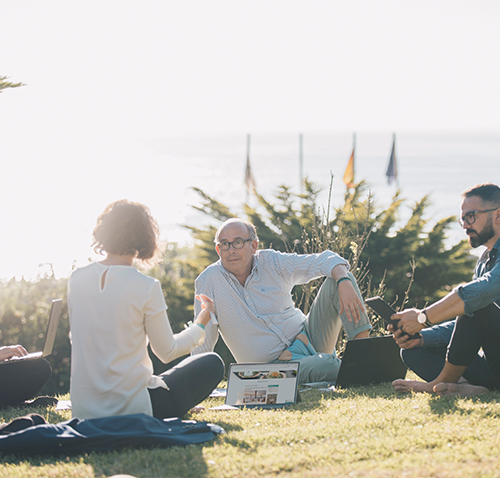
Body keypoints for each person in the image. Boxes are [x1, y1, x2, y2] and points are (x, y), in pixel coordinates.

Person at [68, 200, 224, 420]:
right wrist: (201, 324)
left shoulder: (77, 279)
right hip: (134, 409)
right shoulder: (145, 286)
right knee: (212, 362)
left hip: (84, 412)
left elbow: (77, 339)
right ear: (145, 236)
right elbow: (167, 351)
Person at [192, 217, 372, 383]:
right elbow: (202, 339)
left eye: (238, 242)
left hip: (309, 337)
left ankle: (364, 358)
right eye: (224, 244)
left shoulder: (271, 261)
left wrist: (344, 280)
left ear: (253, 246)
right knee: (328, 365)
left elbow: (326, 260)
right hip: (271, 370)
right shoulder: (208, 281)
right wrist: (196, 385)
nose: (231, 250)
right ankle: (361, 374)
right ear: (218, 250)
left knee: (339, 278)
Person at [391, 183, 500, 396]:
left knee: (476, 304)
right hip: (494, 362)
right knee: (413, 349)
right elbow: (468, 326)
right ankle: (470, 388)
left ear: (498, 215)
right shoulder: (484, 261)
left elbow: (479, 295)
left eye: (471, 216)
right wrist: (421, 336)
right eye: (463, 219)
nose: (465, 225)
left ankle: (441, 383)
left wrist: (423, 317)